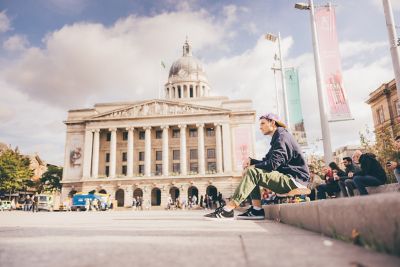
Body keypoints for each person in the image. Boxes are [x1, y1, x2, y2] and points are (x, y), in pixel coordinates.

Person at [204, 113, 310, 220]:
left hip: (295, 180)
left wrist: (253, 167)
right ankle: (257, 210)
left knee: (253, 172)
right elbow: (267, 161)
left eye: (263, 123)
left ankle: (228, 209)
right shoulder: (278, 138)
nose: (260, 127)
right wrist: (252, 161)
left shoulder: (282, 138)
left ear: (272, 123)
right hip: (288, 178)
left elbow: (273, 164)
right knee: (250, 170)